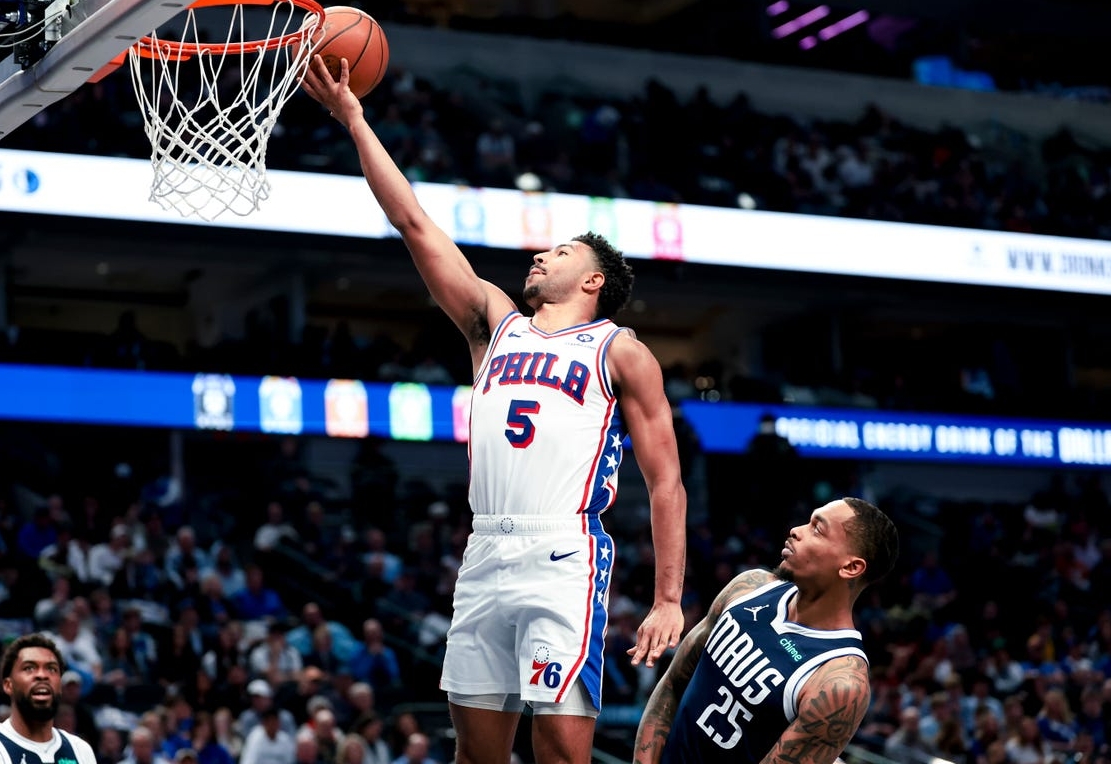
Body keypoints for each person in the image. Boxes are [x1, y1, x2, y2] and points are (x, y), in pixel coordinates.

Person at [301, 56, 688, 764]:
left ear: (593, 281)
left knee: (560, 754)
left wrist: (667, 598)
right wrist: (354, 119)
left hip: (562, 552)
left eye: (560, 252)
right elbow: (414, 223)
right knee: (475, 756)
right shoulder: (494, 325)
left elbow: (666, 481)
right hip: (483, 551)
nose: (540, 256)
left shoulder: (620, 351)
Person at [633, 497, 899, 764]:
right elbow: (672, 686)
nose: (796, 530)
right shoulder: (749, 587)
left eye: (817, 529)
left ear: (851, 567)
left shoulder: (840, 681)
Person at [0, 633, 98, 763]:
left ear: (59, 686)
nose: (42, 675)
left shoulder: (81, 751)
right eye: (29, 668)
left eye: (51, 668)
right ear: (8, 685)